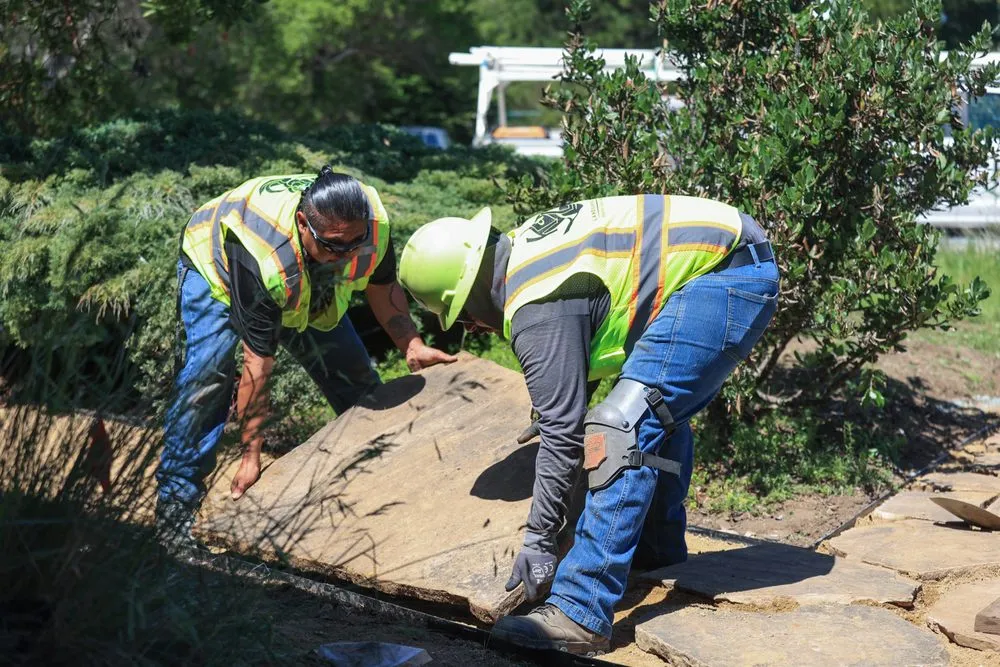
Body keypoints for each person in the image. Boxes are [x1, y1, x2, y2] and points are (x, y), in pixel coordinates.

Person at [397, 195, 778, 655]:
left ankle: (580, 610)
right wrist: (555, 409)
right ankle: (656, 555)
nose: (477, 327)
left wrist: (539, 541)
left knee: (622, 425)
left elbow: (565, 427)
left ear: (471, 294)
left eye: (467, 317)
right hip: (730, 256)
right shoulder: (523, 250)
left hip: (725, 275)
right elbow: (588, 323)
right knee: (651, 407)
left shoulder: (535, 302)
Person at [157, 166, 455, 547]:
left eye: (355, 242)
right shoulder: (261, 253)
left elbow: (381, 286)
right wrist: (251, 454)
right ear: (303, 222)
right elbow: (257, 366)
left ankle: (387, 481)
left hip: (297, 277)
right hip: (218, 266)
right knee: (208, 376)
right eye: (335, 244)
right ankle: (176, 508)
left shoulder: (369, 225)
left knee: (356, 382)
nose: (347, 254)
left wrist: (411, 344)